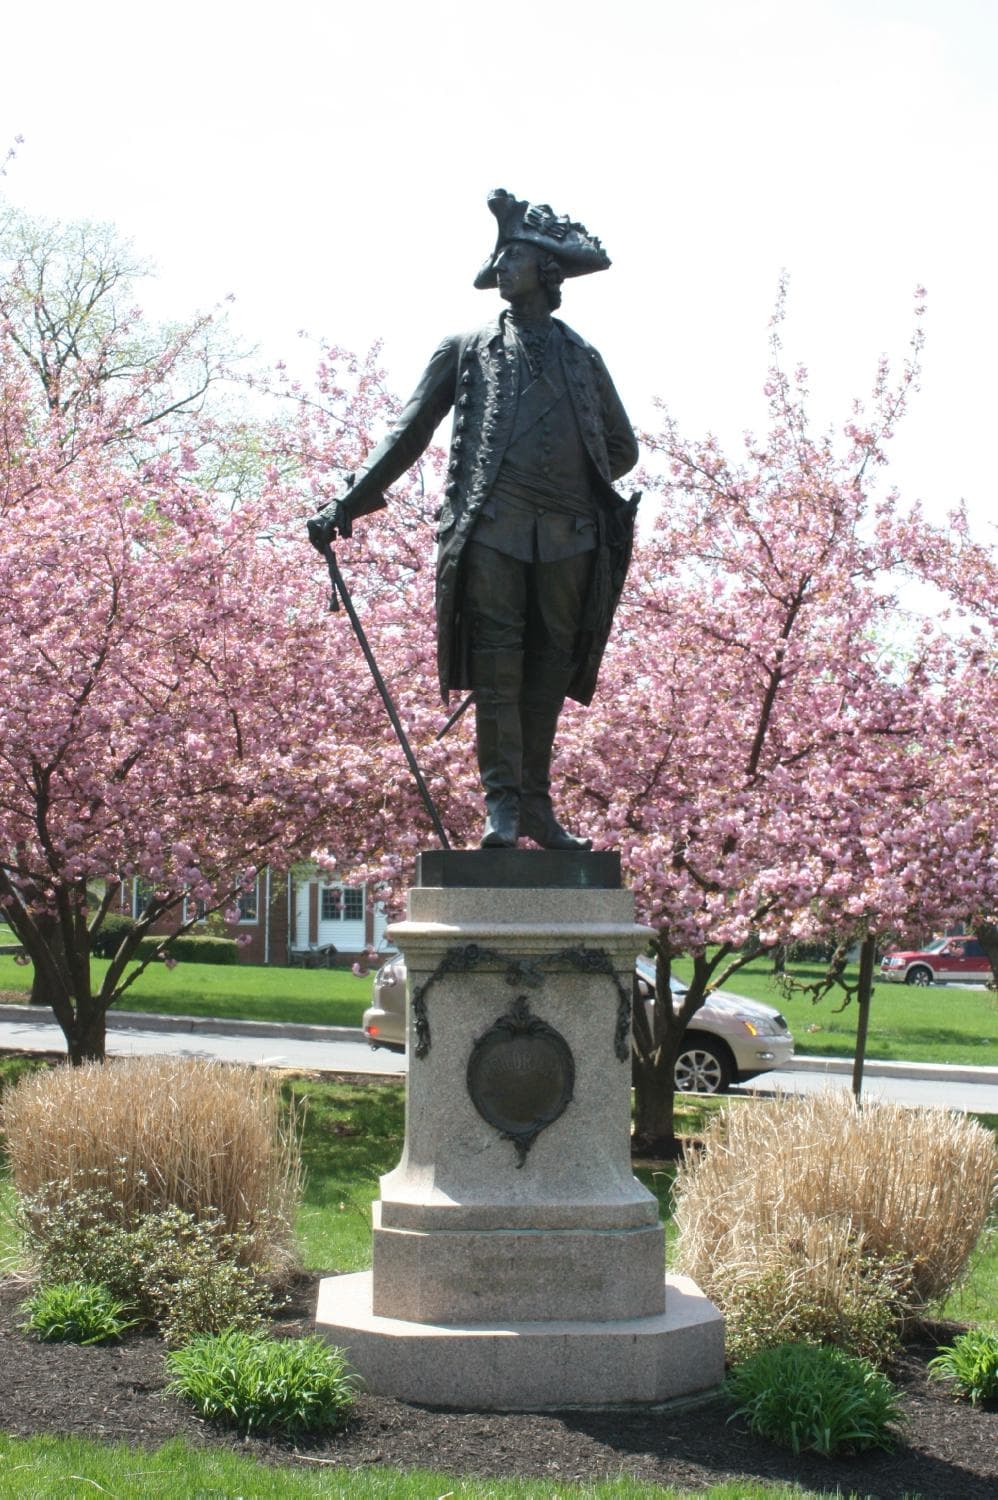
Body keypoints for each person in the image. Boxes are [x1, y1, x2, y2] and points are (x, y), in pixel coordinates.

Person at [308, 188, 639, 851]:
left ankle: (538, 805)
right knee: (499, 670)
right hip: (493, 531)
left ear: (546, 272)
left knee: (549, 666)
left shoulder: (583, 357)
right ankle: (503, 808)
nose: (502, 269)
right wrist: (349, 502)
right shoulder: (466, 349)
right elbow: (407, 434)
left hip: (570, 538)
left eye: (514, 257)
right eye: (503, 258)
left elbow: (623, 447)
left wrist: (577, 470)